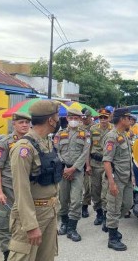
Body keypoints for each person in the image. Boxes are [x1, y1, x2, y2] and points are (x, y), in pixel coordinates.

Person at [7, 100, 62, 261]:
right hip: (31, 214)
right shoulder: (24, 148)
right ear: (50, 120)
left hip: (49, 211)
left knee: (46, 257)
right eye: (57, 117)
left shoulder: (47, 143)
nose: (58, 120)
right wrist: (31, 226)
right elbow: (21, 190)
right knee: (23, 257)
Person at [0, 113, 31, 261]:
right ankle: (8, 256)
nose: (24, 125)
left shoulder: (31, 142)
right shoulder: (5, 143)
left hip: (26, 194)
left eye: (27, 122)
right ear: (13, 124)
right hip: (8, 193)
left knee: (24, 228)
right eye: (21, 122)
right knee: (5, 228)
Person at [55, 104, 90, 243]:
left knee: (76, 200)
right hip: (63, 170)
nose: (74, 120)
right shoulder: (59, 134)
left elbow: (85, 152)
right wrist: (64, 168)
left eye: (76, 118)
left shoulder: (85, 134)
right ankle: (64, 223)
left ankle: (72, 228)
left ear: (80, 119)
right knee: (62, 199)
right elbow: (56, 151)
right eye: (71, 117)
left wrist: (73, 168)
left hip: (77, 171)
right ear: (67, 118)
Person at [102, 109, 134, 251]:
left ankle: (110, 224)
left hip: (126, 178)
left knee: (128, 204)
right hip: (117, 178)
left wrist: (132, 176)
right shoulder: (112, 137)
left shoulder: (124, 135)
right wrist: (111, 182)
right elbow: (107, 161)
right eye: (128, 117)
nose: (130, 120)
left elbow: (128, 158)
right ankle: (112, 238)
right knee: (114, 208)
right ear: (121, 119)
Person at [86, 109, 112, 226]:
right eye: (101, 117)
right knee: (95, 190)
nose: (103, 120)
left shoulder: (113, 130)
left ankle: (107, 214)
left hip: (107, 164)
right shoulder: (92, 129)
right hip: (95, 164)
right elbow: (87, 148)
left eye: (105, 117)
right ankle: (99, 213)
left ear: (109, 118)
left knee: (106, 190)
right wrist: (87, 165)